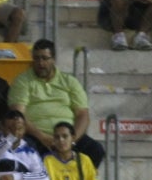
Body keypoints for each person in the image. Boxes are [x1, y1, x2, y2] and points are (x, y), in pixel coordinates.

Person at [10, 38, 104, 169]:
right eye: (36, 58)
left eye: (45, 58)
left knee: (96, 150)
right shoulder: (23, 81)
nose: (40, 63)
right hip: (36, 136)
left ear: (53, 59)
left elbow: (82, 114)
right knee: (24, 152)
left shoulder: (70, 82)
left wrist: (71, 139)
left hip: (68, 136)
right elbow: (18, 115)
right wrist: (43, 137)